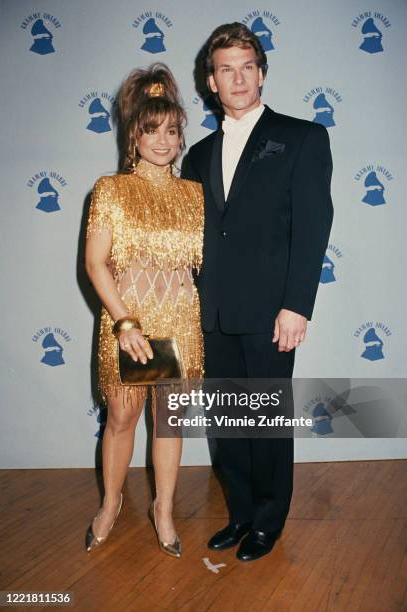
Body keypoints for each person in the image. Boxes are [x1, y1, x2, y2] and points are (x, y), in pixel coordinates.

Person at [182, 23, 333, 562]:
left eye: (247, 66)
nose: (238, 77)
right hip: (213, 313)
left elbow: (313, 227)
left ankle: (269, 521)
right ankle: (241, 514)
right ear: (211, 81)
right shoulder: (196, 156)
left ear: (261, 73)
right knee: (228, 424)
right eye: (227, 69)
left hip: (273, 312)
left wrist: (297, 305)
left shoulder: (302, 137)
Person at [85, 63, 204, 558]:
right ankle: (111, 504)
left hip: (179, 322)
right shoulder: (111, 191)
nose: (163, 140)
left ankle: (164, 511)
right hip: (130, 325)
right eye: (151, 129)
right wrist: (126, 324)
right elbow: (95, 264)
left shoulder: (194, 195)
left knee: (170, 421)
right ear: (134, 135)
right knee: (121, 419)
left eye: (172, 130)